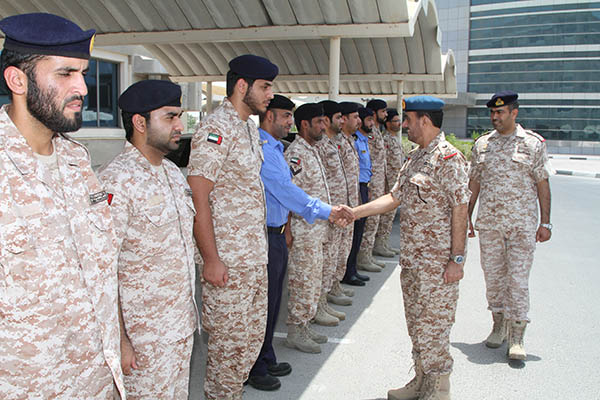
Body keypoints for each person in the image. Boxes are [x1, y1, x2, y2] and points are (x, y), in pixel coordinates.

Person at [0, 13, 125, 398]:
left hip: (99, 380)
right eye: (65, 73)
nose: (82, 88)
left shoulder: (77, 162)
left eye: (84, 74)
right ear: (17, 80)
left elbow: (102, 269)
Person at [351, 96, 470, 400]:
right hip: (413, 262)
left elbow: (460, 208)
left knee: (435, 328)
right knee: (417, 325)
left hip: (437, 265)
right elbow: (394, 197)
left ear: (425, 121)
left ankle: (438, 389)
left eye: (409, 119)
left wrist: (457, 260)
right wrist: (355, 212)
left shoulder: (449, 159)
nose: (404, 125)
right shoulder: (415, 157)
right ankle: (420, 380)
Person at [98, 80, 199, 399]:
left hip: (180, 327)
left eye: (179, 116)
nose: (180, 126)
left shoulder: (171, 173)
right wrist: (120, 341)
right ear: (140, 122)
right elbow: (102, 270)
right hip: (144, 339)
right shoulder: (115, 182)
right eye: (170, 117)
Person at [187, 54, 277, 400]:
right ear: (242, 86)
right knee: (227, 353)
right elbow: (198, 195)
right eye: (265, 87)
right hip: (228, 262)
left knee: (248, 347)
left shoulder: (247, 129)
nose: (269, 95)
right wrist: (211, 259)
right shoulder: (217, 128)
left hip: (253, 258)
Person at [248, 95, 351, 390]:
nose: (289, 123)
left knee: (273, 302)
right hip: (265, 235)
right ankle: (255, 366)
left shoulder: (276, 149)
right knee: (262, 306)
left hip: (278, 233)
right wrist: (326, 211)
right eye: (285, 116)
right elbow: (285, 190)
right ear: (269, 117)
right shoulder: (264, 150)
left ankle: (265, 355)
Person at [468, 91, 553, 361]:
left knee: (517, 281)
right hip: (490, 224)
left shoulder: (533, 144)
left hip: (521, 226)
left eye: (500, 112)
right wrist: (465, 218)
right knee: (493, 279)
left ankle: (517, 336)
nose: (495, 117)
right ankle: (498, 326)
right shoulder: (482, 145)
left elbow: (542, 183)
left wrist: (545, 222)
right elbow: (474, 183)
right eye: (492, 113)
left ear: (514, 113)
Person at [284, 103, 353, 354]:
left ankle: (305, 323)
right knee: (302, 281)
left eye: (325, 122)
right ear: (304, 125)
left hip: (316, 231)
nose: (324, 126)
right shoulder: (296, 154)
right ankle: (295, 329)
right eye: (319, 122)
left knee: (312, 281)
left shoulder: (311, 150)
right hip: (304, 233)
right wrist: (288, 231)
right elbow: (288, 194)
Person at [318, 99, 355, 306]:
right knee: (328, 257)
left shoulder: (336, 143)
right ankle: (322, 300)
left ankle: (334, 285)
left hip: (343, 208)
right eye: (338, 117)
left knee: (340, 252)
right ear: (326, 119)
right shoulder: (321, 145)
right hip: (330, 212)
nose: (342, 121)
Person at [339, 102, 370, 287]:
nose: (358, 121)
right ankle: (345, 275)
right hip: (343, 200)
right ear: (343, 119)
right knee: (343, 242)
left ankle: (351, 270)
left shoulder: (351, 141)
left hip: (356, 193)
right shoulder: (338, 143)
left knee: (354, 237)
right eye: (355, 117)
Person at [359, 99, 394, 264]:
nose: (386, 115)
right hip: (372, 183)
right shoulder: (369, 132)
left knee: (375, 220)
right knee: (370, 220)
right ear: (374, 112)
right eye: (383, 111)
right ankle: (364, 257)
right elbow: (368, 161)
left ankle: (369, 253)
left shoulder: (377, 131)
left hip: (380, 183)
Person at [355, 106, 382, 274]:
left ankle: (354, 267)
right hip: (356, 188)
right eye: (369, 120)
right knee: (356, 231)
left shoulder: (365, 140)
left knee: (361, 229)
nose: (371, 123)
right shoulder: (355, 141)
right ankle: (352, 269)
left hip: (365, 187)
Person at [375, 108, 404, 256]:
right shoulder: (386, 139)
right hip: (388, 185)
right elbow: (383, 164)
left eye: (399, 121)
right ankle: (379, 244)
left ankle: (384, 243)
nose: (399, 124)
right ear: (387, 123)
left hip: (395, 184)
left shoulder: (394, 139)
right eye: (395, 121)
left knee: (390, 217)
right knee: (385, 217)